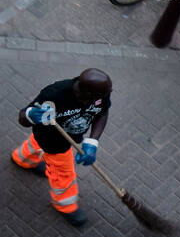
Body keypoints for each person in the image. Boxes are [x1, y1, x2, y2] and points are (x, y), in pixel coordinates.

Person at [11, 69, 113, 228]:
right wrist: (31, 115)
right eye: (104, 94)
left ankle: (23, 159)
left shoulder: (100, 94)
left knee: (35, 143)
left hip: (57, 136)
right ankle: (65, 204)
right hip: (54, 142)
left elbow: (102, 113)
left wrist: (92, 142)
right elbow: (23, 117)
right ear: (86, 93)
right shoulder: (55, 94)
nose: (106, 96)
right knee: (63, 172)